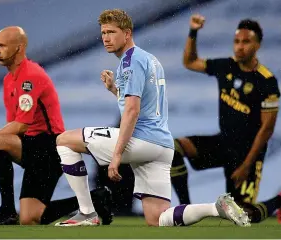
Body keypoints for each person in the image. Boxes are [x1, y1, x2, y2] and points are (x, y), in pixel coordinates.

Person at [55, 9, 250, 227]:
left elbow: (132, 111)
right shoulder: (150, 60)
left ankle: (87, 212)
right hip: (162, 146)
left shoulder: (130, 61)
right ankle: (216, 208)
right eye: (103, 33)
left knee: (64, 141)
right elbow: (143, 103)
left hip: (141, 140)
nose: (106, 38)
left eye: (111, 32)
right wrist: (114, 90)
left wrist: (117, 155)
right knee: (157, 218)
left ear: (127, 33)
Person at [0, 26, 112, 225]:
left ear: (19, 47)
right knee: (30, 218)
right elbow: (13, 125)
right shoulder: (9, 80)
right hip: (33, 148)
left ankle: (7, 209)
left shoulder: (30, 76)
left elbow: (22, 125)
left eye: (2, 46)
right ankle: (96, 199)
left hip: (49, 148)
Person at [171, 14, 281, 223]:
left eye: (246, 42)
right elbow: (190, 61)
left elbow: (266, 129)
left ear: (257, 45)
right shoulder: (226, 66)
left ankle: (278, 202)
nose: (239, 47)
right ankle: (186, 209)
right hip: (223, 143)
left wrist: (247, 165)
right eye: (237, 41)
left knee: (241, 217)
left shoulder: (267, 81)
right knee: (173, 147)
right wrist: (193, 32)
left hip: (247, 154)